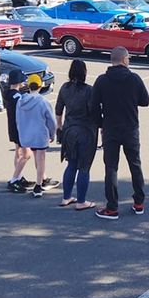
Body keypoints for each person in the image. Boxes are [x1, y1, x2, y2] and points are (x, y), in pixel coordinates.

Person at [92, 47, 149, 220]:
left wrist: (101, 123)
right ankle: (139, 202)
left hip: (110, 129)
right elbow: (145, 101)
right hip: (130, 128)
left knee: (111, 168)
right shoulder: (134, 78)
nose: (129, 60)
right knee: (135, 164)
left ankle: (111, 207)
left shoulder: (102, 81)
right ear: (124, 60)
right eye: (129, 58)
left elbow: (93, 107)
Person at [54, 60, 97, 210]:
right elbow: (94, 112)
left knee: (71, 165)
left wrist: (59, 127)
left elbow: (58, 110)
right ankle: (82, 201)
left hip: (69, 131)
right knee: (84, 167)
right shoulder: (89, 90)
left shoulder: (64, 88)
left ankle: (66, 197)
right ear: (84, 73)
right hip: (86, 131)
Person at [17, 80, 57, 197]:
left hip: (27, 134)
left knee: (36, 156)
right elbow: (51, 121)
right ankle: (39, 185)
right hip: (40, 134)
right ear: (40, 86)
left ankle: (41, 179)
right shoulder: (43, 101)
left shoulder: (21, 101)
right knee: (41, 159)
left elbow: (18, 119)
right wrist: (52, 134)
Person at [4, 70, 34, 193]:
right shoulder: (17, 97)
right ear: (19, 82)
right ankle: (14, 179)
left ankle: (19, 176)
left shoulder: (8, 93)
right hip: (19, 127)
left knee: (18, 152)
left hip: (12, 127)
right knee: (27, 154)